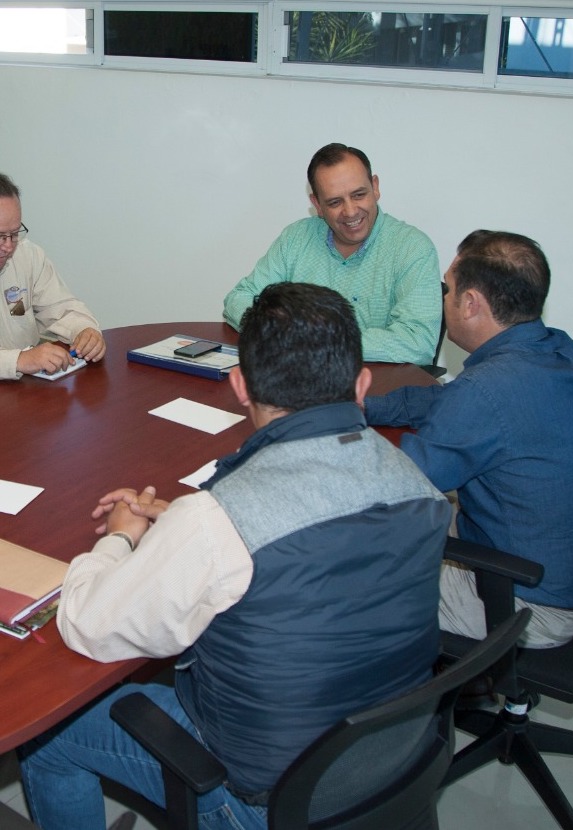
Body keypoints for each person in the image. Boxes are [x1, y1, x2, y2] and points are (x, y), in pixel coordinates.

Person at [19, 282, 451, 830]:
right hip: (395, 757)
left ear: (240, 385)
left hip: (267, 801)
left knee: (50, 736)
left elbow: (88, 624)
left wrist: (120, 538)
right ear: (362, 383)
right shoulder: (415, 482)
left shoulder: (217, 523)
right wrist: (186, 526)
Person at [365, 230, 573, 649]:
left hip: (530, 601)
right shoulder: (559, 352)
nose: (443, 298)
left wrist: (322, 439)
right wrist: (364, 406)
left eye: (447, 289)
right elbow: (447, 401)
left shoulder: (485, 391)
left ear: (470, 303)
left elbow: (393, 485)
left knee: (347, 575)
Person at [223, 143, 441, 365]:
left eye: (358, 195)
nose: (350, 211)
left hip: (377, 382)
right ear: (317, 204)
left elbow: (418, 341)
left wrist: (319, 341)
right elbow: (240, 298)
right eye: (335, 202)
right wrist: (276, 331)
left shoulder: (412, 248)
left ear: (375, 187)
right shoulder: (296, 238)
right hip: (297, 376)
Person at [0, 172, 105, 380]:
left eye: (15, 233)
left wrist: (84, 330)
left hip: (25, 389)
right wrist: (18, 360)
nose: (9, 246)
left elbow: (61, 308)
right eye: (0, 236)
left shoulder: (28, 256)